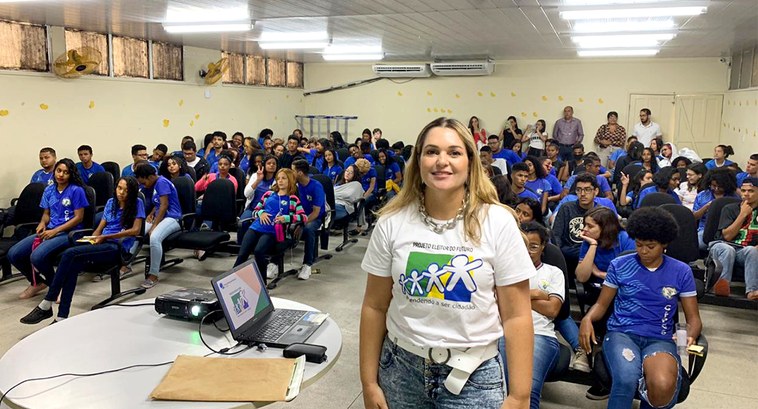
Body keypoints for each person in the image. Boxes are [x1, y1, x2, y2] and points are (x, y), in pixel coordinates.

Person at [359, 117, 535, 409]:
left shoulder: (497, 222)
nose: (442, 161)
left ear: (470, 161)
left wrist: (519, 396)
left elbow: (517, 316)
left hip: (475, 375)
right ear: (418, 161)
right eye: (431, 152)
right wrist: (368, 382)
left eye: (454, 152)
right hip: (401, 370)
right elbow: (374, 306)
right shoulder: (392, 222)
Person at [579, 207, 702, 409]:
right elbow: (601, 304)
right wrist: (587, 319)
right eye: (639, 245)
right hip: (622, 333)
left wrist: (689, 336)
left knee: (662, 385)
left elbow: (693, 319)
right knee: (626, 378)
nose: (643, 251)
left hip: (660, 337)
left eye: (650, 246)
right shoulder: (620, 265)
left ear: (664, 244)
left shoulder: (681, 271)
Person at [20, 177, 145, 324]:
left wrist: (106, 236)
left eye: (126, 190)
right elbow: (99, 230)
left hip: (117, 247)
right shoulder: (111, 203)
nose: (122, 192)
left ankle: (48, 301)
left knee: (69, 254)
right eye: (119, 188)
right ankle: (61, 317)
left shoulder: (138, 203)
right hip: (102, 244)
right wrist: (90, 240)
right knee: (72, 265)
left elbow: (135, 230)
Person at [502, 221, 564, 409]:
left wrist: (513, 296)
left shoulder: (553, 272)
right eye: (523, 245)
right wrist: (537, 294)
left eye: (534, 246)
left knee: (527, 389)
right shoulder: (504, 271)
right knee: (500, 386)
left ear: (543, 247)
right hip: (503, 331)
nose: (527, 251)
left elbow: (552, 309)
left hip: (540, 334)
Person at [9, 158, 88, 299]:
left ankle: (57, 286)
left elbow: (78, 218)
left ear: (71, 174)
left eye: (65, 172)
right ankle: (38, 283)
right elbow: (46, 214)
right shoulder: (49, 190)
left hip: (69, 232)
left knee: (37, 256)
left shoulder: (76, 190)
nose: (61, 175)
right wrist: (42, 224)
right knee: (14, 254)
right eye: (59, 171)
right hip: (50, 230)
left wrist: (55, 231)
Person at [234, 169, 306, 281]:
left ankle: (262, 281)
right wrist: (260, 213)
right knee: (243, 253)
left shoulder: (293, 199)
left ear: (290, 180)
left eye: (284, 178)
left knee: (259, 251)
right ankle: (233, 279)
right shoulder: (268, 194)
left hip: (271, 231)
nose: (280, 181)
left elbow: (303, 217)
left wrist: (286, 218)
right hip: (256, 227)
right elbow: (255, 210)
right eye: (278, 178)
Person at [708, 177, 758, 300]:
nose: (746, 194)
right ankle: (721, 286)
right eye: (743, 190)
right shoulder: (730, 209)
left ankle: (752, 291)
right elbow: (727, 236)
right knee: (727, 250)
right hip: (722, 245)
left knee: (752, 251)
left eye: (751, 191)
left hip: (744, 250)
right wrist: (743, 214)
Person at [134, 163, 182, 288]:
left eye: (143, 182)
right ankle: (126, 264)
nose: (143, 185)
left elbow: (165, 205)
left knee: (154, 237)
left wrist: (154, 225)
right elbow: (158, 204)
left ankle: (153, 275)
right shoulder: (156, 183)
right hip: (161, 216)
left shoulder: (161, 182)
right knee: (137, 230)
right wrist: (151, 214)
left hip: (173, 218)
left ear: (150, 177)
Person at [552, 173, 603, 272]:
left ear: (596, 191)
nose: (583, 194)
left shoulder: (601, 212)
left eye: (587, 189)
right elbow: (556, 235)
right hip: (568, 255)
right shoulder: (566, 208)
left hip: (592, 254)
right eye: (579, 190)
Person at [291, 159, 326, 280]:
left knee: (309, 229)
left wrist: (301, 224)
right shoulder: (295, 185)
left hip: (315, 217)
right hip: (299, 216)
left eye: (293, 171)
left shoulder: (316, 186)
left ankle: (307, 264)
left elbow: (316, 212)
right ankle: (274, 263)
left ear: (300, 173)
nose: (291, 173)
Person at [692, 168, 739, 249]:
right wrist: (706, 207)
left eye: (720, 186)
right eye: (713, 186)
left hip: (726, 230)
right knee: (698, 244)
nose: (716, 189)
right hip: (704, 230)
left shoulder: (734, 197)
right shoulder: (702, 195)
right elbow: (694, 217)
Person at [239, 154, 278, 244]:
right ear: (264, 165)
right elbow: (246, 194)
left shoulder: (278, 179)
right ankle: (242, 245)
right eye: (269, 163)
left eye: (274, 164)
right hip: (252, 208)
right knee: (242, 223)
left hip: (268, 211)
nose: (271, 165)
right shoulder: (255, 176)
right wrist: (258, 180)